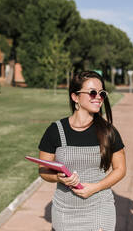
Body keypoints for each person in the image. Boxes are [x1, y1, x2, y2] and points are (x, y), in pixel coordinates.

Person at [38, 71, 126, 231]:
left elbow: (120, 169)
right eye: (92, 92)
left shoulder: (108, 131)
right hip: (65, 210)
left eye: (102, 93)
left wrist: (96, 187)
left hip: (99, 206)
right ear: (75, 97)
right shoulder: (56, 130)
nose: (98, 97)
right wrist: (58, 177)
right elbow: (43, 170)